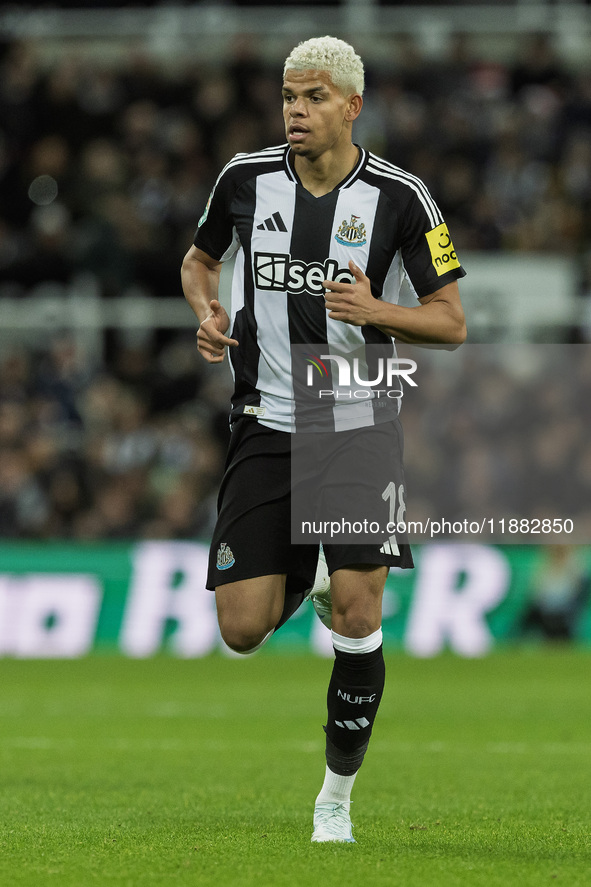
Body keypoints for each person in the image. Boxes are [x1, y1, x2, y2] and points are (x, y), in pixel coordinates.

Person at [181, 35, 466, 844]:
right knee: (239, 629)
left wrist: (378, 311)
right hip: (265, 424)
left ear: (351, 105)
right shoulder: (243, 178)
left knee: (356, 609)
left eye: (311, 98)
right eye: (286, 97)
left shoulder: (403, 197)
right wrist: (204, 308)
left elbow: (450, 322)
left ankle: (334, 798)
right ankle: (303, 566)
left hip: (356, 422)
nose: (294, 111)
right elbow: (197, 261)